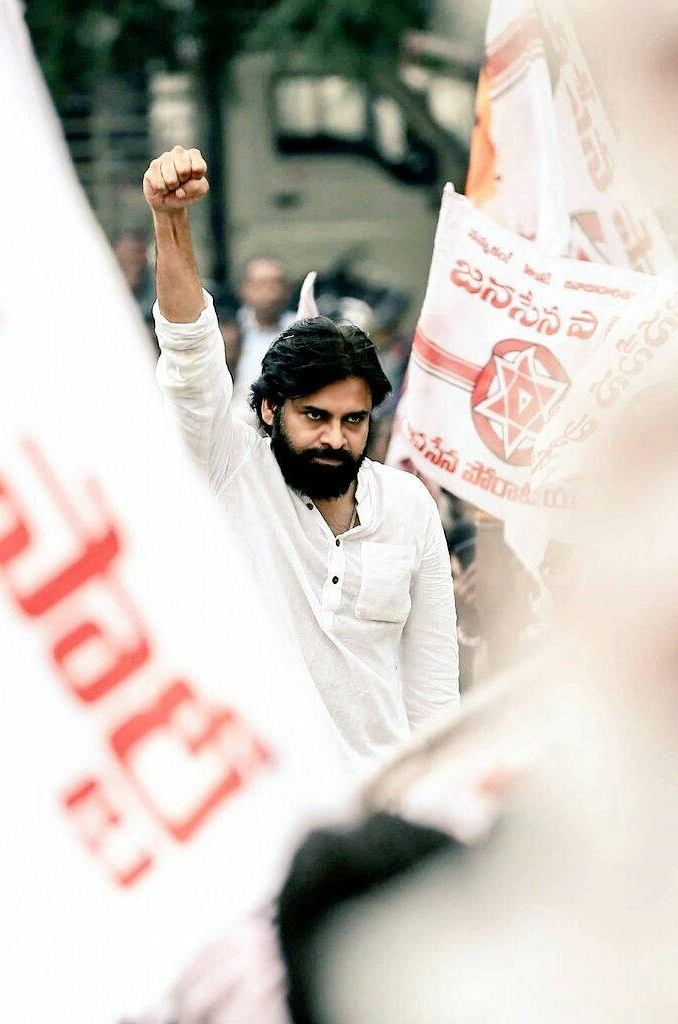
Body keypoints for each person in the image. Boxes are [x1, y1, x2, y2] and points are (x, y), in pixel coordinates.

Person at [144, 145, 459, 767]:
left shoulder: (406, 503)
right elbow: (190, 359)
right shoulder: (234, 469)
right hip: (265, 812)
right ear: (267, 410)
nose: (335, 440)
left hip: (381, 814)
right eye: (314, 417)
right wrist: (169, 222)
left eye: (354, 420)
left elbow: (432, 694)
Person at [234, 256, 296, 401]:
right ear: (244, 288)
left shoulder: (299, 328)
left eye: (276, 283)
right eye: (261, 284)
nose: (271, 292)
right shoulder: (231, 329)